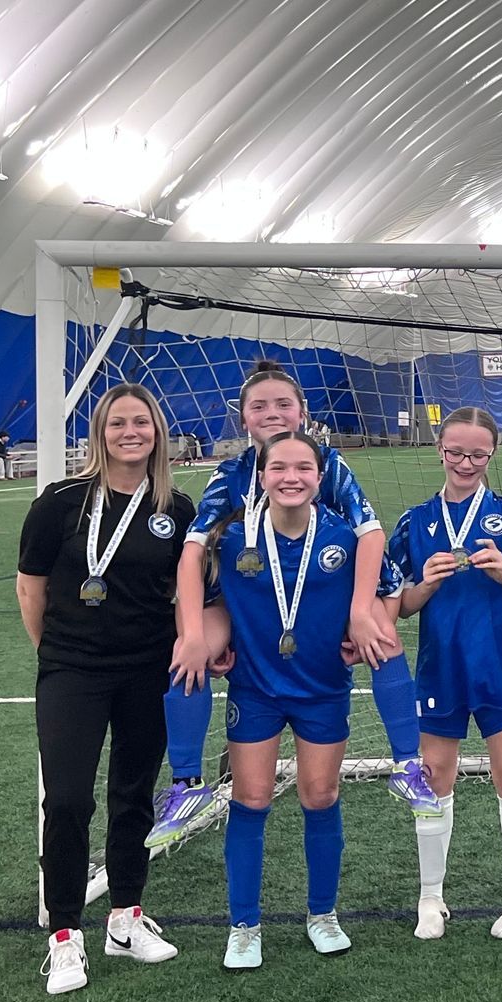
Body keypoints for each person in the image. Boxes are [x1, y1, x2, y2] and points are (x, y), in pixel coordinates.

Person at [152, 359, 437, 848]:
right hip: (242, 600)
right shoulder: (232, 473)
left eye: (284, 404)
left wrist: (359, 612)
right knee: (188, 653)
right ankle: (186, 783)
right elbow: (194, 549)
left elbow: (370, 534)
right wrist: (193, 631)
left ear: (303, 413)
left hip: (318, 598)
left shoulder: (326, 464)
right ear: (243, 419)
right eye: (259, 406)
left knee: (382, 638)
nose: (272, 413)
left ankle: (407, 763)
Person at [18, 384, 192, 994]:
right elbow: (30, 588)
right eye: (117, 423)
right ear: (100, 433)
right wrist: (59, 654)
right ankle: (65, 933)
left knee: (133, 795)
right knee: (66, 800)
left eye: (140, 422)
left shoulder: (177, 506)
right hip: (71, 671)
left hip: (148, 670)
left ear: (156, 432)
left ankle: (126, 918)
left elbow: (185, 594)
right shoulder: (59, 502)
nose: (129, 432)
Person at [204, 430, 362, 969]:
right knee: (251, 799)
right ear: (262, 475)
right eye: (279, 468)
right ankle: (244, 925)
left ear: (320, 478)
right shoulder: (232, 541)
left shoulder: (347, 537)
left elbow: (383, 593)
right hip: (256, 688)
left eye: (303, 468)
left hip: (322, 689)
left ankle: (322, 914)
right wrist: (212, 639)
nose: (291, 477)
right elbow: (205, 601)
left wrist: (363, 632)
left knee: (320, 795)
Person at [390, 408, 502, 941]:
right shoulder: (415, 520)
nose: (465, 462)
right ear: (440, 449)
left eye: (477, 453)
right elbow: (398, 606)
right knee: (433, 777)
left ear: (492, 454)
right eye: (456, 451)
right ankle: (431, 897)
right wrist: (425, 586)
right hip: (440, 665)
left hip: (499, 664)